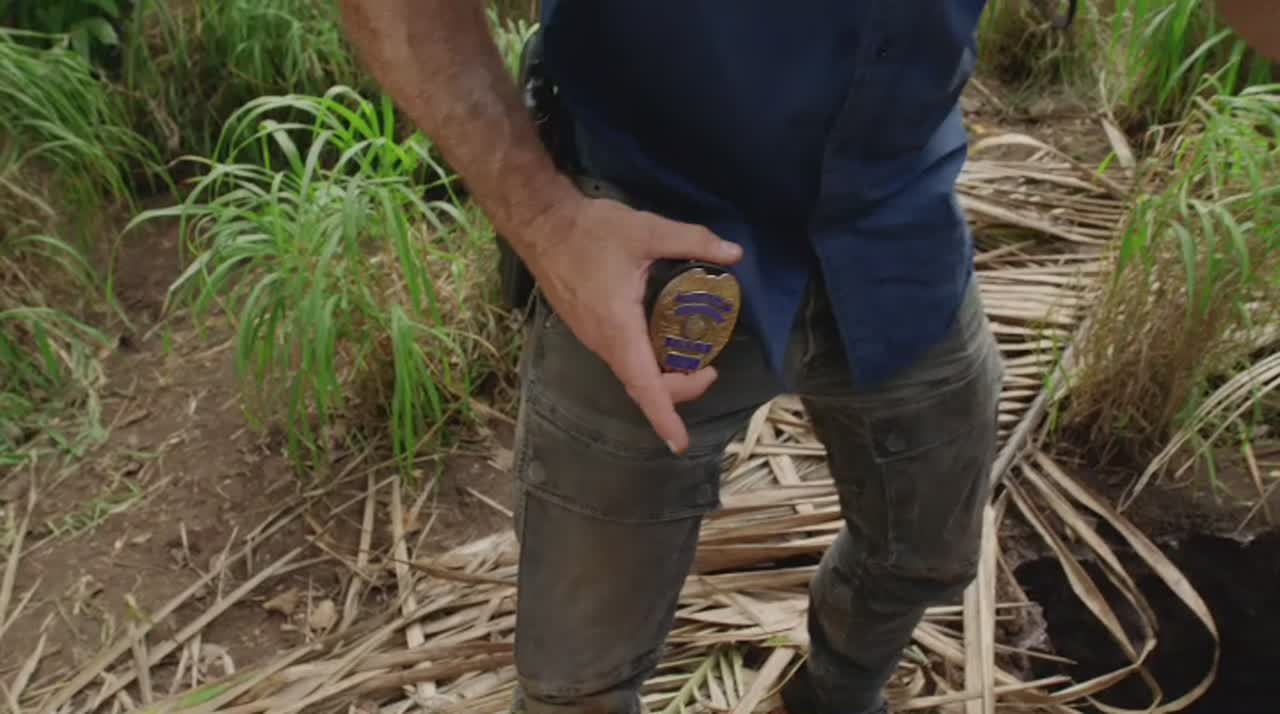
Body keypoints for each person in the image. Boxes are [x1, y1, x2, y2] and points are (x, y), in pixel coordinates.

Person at [338, 3, 1006, 713]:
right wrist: (546, 221)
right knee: (577, 678)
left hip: (903, 227)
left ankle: (835, 697)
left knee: (926, 558)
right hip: (644, 246)